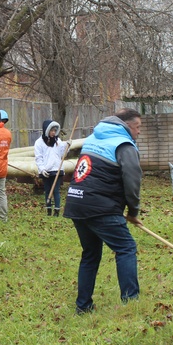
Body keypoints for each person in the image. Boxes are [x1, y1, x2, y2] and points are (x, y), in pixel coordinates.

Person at [64, 108, 143, 314]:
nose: (139, 132)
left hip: (76, 201)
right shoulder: (124, 145)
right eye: (137, 127)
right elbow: (133, 181)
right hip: (101, 206)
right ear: (126, 126)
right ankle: (131, 303)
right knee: (126, 247)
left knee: (90, 254)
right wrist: (133, 211)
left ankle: (83, 306)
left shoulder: (92, 139)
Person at [34, 119, 68, 216]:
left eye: (54, 130)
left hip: (57, 170)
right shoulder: (39, 142)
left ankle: (57, 211)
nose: (53, 132)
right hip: (46, 170)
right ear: (46, 130)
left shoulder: (58, 141)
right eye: (51, 130)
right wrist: (42, 169)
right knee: (48, 190)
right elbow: (38, 158)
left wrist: (67, 146)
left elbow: (62, 154)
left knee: (56, 190)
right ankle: (49, 210)